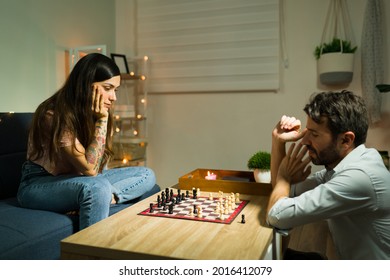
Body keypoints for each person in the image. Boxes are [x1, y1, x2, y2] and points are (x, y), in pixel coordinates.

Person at [17, 53, 157, 230]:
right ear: (86, 85)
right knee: (97, 187)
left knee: (146, 174)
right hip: (38, 185)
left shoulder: (93, 113)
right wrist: (102, 121)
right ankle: (92, 255)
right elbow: (90, 169)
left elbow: (98, 168)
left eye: (116, 90)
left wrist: (101, 121)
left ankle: (104, 198)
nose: (113, 97)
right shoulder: (52, 115)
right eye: (107, 88)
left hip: (79, 180)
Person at [267, 90, 390, 260]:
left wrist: (284, 176)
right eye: (307, 131)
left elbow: (276, 215)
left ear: (346, 140)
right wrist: (278, 141)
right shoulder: (342, 168)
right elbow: (284, 194)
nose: (303, 140)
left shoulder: (359, 178)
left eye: (314, 134)